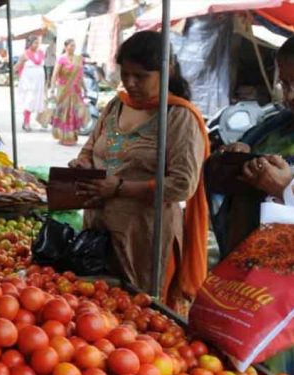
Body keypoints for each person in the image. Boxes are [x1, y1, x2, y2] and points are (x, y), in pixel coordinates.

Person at [70, 31, 210, 312]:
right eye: (125, 73)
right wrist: (83, 164)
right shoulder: (116, 105)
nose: (130, 83)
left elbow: (182, 184)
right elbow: (89, 149)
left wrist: (119, 188)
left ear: (166, 70)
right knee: (97, 310)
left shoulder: (178, 117)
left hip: (145, 238)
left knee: (141, 313)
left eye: (141, 76)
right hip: (98, 230)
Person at [213, 35, 294, 256]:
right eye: (285, 84)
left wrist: (285, 189)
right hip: (249, 266)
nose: (290, 95)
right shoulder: (271, 128)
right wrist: (235, 160)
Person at [50, 39, 88, 146]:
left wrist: (85, 88)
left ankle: (72, 136)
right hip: (64, 89)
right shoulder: (61, 58)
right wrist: (52, 89)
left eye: (74, 46)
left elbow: (80, 76)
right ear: (66, 46)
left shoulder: (78, 59)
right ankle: (63, 136)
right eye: (71, 45)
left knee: (74, 112)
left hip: (76, 90)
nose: (73, 48)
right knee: (64, 113)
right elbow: (55, 75)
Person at [16, 36, 46, 132]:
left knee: (35, 102)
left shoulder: (41, 53)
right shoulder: (25, 54)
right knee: (29, 102)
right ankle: (26, 122)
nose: (37, 45)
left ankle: (40, 121)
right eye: (35, 43)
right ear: (30, 44)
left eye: (38, 43)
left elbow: (42, 67)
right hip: (28, 82)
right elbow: (18, 65)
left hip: (39, 82)